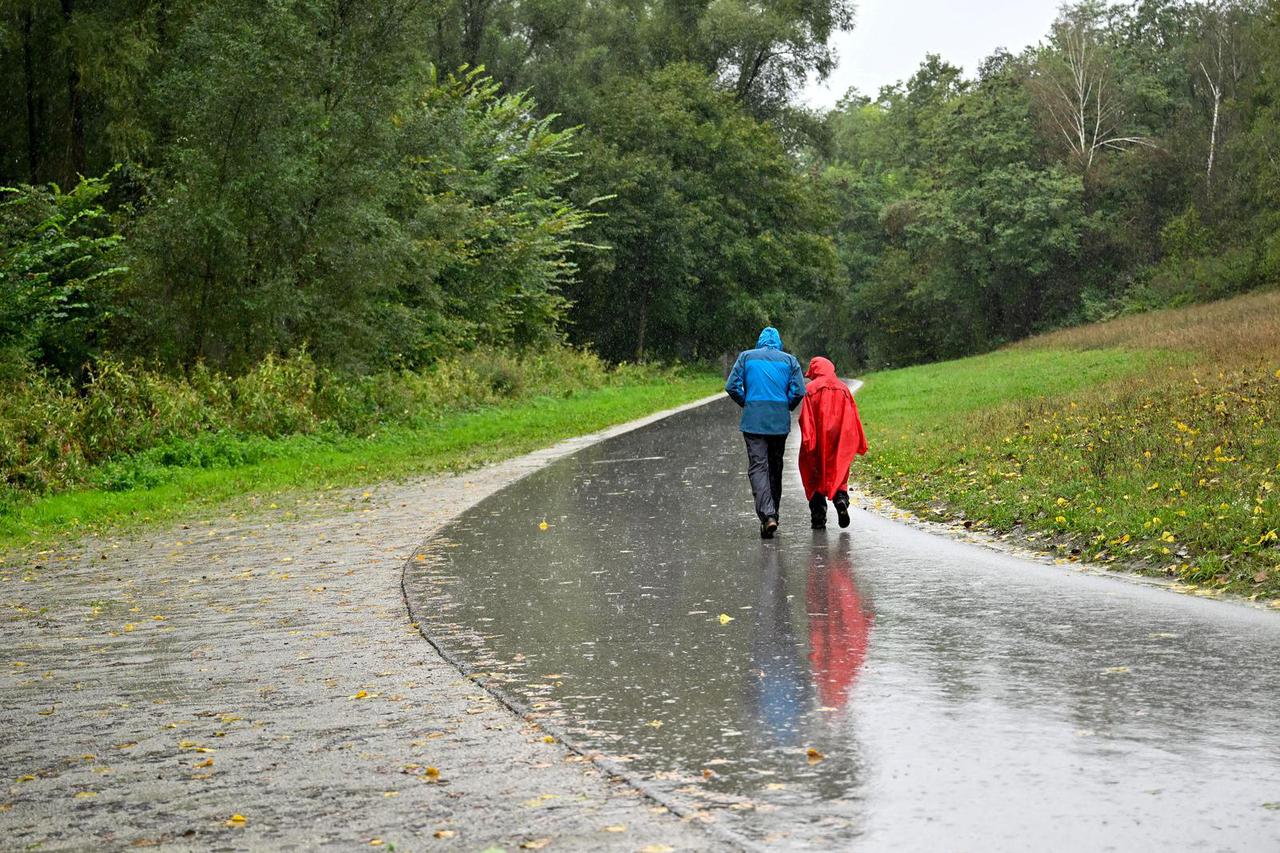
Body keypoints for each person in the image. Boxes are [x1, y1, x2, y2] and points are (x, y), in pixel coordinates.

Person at [725, 327, 806, 538]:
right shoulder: (790, 361)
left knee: (758, 467)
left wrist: (748, 403)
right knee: (775, 466)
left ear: (760, 341)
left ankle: (767, 515)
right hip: (779, 423)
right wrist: (785, 406)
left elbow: (732, 386)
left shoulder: (746, 357)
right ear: (778, 342)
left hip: (754, 422)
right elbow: (799, 390)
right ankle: (774, 514)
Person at [798, 356, 868, 530]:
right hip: (839, 436)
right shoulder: (843, 389)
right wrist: (858, 439)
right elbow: (853, 415)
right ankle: (841, 499)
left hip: (819, 435)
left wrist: (808, 440)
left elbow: (806, 418)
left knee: (813, 473)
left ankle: (818, 516)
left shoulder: (810, 389)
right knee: (838, 469)